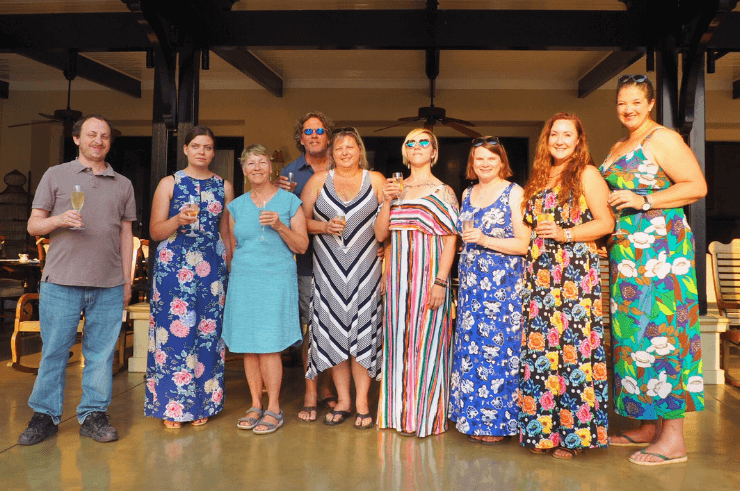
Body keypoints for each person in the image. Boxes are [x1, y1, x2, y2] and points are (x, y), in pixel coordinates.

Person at [601, 75, 707, 466]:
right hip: (628, 258)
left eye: (635, 102)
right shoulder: (619, 146)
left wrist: (644, 199)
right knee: (633, 338)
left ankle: (674, 438)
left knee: (664, 332)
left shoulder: (662, 138)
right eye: (621, 103)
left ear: (648, 105)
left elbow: (696, 186)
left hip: (662, 254)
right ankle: (647, 425)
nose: (627, 109)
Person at [18, 114, 136, 445]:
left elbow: (127, 234)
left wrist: (126, 279)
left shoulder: (123, 184)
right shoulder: (56, 175)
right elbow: (33, 225)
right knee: (54, 351)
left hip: (109, 284)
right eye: (91, 135)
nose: (99, 140)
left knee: (100, 354)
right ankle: (44, 416)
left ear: (110, 142)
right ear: (77, 139)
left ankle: (93, 415)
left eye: (105, 136)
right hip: (61, 282)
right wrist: (59, 219)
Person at [518, 113, 614, 459]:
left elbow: (606, 222)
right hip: (540, 277)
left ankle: (572, 437)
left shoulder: (586, 173)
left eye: (566, 134)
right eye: (553, 134)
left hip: (573, 276)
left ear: (578, 140)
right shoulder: (540, 177)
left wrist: (565, 234)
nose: (559, 140)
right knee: (542, 352)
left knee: (573, 354)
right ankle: (542, 433)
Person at [145, 125, 234, 429]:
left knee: (208, 334)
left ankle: (203, 404)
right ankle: (173, 406)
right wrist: (177, 220)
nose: (201, 152)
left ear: (213, 151)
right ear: (185, 149)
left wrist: (230, 265)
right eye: (196, 146)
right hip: (174, 266)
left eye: (208, 147)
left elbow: (226, 232)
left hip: (212, 266)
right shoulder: (169, 183)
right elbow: (156, 231)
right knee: (173, 334)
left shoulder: (225, 185)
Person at [375, 128, 459, 437]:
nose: (417, 146)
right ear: (404, 152)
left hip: (429, 279)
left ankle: (425, 417)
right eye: (410, 142)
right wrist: (386, 201)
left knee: (427, 346)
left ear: (434, 152)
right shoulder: (394, 187)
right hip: (397, 280)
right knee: (398, 346)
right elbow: (381, 235)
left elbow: (451, 241)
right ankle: (396, 415)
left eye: (424, 142)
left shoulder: (444, 191)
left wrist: (441, 282)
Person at [301, 128, 385, 428]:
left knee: (363, 334)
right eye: (339, 148)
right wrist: (323, 228)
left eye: (351, 147)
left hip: (367, 272)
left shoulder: (375, 180)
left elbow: (390, 220)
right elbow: (301, 223)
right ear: (331, 153)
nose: (345, 152)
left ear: (359, 151)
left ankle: (362, 401)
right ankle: (344, 400)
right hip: (329, 271)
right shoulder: (317, 181)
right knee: (335, 335)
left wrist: (386, 251)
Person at [223, 144, 308, 434]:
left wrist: (280, 227)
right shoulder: (235, 206)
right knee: (248, 344)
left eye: (261, 162)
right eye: (250, 164)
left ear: (271, 168)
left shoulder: (289, 202)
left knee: (269, 345)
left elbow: (302, 245)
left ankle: (273, 407)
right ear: (244, 171)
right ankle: (254, 404)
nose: (256, 168)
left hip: (276, 280)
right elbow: (232, 249)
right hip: (244, 281)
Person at [449, 137, 529, 444]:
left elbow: (524, 244)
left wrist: (485, 240)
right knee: (473, 351)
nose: (484, 163)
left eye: (490, 159)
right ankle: (474, 419)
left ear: (502, 162)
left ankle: (498, 424)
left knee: (501, 354)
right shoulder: (468, 192)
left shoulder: (514, 192)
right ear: (472, 162)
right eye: (479, 158)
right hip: (471, 287)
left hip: (504, 289)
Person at [276, 112, 337, 422]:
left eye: (320, 130)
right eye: (308, 131)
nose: (314, 135)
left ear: (328, 137)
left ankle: (326, 388)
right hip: (306, 262)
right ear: (301, 138)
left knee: (334, 329)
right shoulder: (289, 174)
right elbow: (283, 219)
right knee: (313, 328)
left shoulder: (345, 166)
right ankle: (312, 391)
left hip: (343, 263)